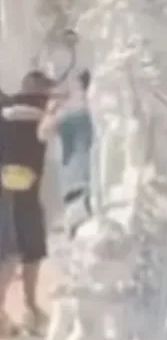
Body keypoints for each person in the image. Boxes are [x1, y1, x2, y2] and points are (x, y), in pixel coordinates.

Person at [0, 71, 53, 336]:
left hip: (18, 191)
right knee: (14, 255)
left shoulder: (10, 110)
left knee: (24, 253)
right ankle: (17, 311)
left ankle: (26, 310)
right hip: (17, 192)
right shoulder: (36, 111)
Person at [37, 71, 94, 236]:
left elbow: (42, 134)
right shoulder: (100, 113)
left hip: (76, 185)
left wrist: (51, 109)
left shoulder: (69, 115)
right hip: (95, 185)